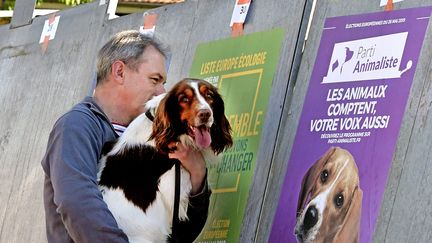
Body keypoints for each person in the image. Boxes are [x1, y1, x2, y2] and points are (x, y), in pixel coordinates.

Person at [41, 30, 210, 243]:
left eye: (163, 83)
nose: (162, 92)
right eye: (155, 80)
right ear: (120, 72)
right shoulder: (77, 126)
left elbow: (180, 233)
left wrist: (197, 174)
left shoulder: (152, 136)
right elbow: (77, 203)